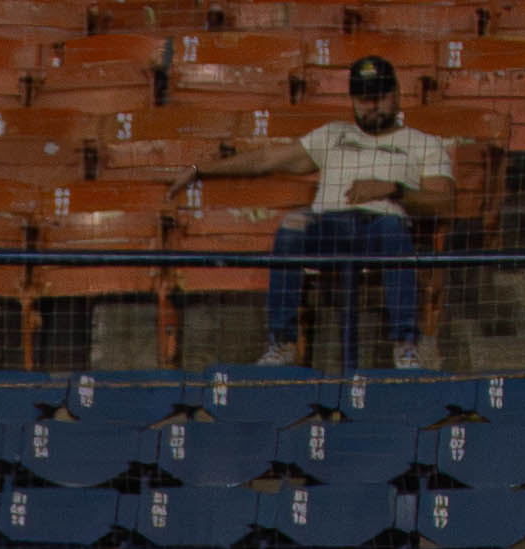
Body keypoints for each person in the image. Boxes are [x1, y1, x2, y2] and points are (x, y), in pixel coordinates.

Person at [177, 56, 454, 371]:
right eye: (364, 99)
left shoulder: (423, 144)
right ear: (352, 100)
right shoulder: (334, 134)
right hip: (329, 225)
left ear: (397, 95)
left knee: (392, 229)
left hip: (381, 226)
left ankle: (405, 345)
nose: (372, 105)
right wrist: (201, 170)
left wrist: (394, 189)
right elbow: (268, 159)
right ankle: (281, 344)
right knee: (293, 225)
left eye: (380, 97)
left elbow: (443, 203)